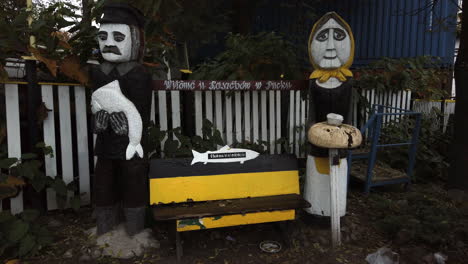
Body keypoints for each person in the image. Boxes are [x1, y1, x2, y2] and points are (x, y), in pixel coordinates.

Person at [90, 2, 153, 237]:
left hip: (131, 142)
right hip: (106, 142)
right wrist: (102, 116)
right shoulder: (98, 71)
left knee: (133, 180)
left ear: (134, 40)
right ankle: (105, 226)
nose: (109, 43)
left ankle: (136, 230)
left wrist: (127, 129)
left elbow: (140, 112)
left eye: (118, 37)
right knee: (104, 180)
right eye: (103, 36)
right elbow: (96, 105)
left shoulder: (139, 74)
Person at [304, 12, 355, 216]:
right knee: (316, 180)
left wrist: (348, 138)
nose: (331, 47)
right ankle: (314, 213)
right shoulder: (314, 81)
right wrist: (312, 133)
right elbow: (311, 113)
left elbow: (350, 113)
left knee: (339, 176)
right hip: (316, 145)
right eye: (323, 38)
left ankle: (337, 214)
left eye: (339, 37)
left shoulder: (348, 81)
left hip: (341, 147)